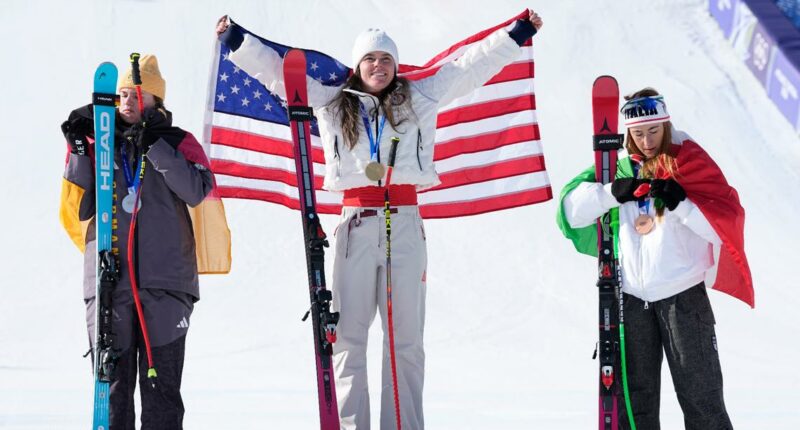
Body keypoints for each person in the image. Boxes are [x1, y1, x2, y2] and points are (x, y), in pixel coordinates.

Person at [215, 11, 542, 429]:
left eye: (386, 59)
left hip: (405, 221)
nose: (378, 66)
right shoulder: (332, 102)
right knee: (348, 340)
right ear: (358, 65)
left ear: (395, 65)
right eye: (370, 59)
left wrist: (517, 34)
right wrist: (238, 41)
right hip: (355, 222)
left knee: (405, 341)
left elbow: (469, 67)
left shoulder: (420, 96)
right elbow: (283, 77)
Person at [556, 88, 753, 429]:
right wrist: (608, 194)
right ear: (628, 134)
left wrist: (683, 205)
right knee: (635, 401)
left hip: (683, 297)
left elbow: (724, 229)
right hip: (630, 299)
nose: (646, 141)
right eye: (638, 133)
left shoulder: (690, 164)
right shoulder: (617, 169)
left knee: (701, 397)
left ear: (665, 126)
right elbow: (571, 212)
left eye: (653, 131)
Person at [59, 54, 231, 429]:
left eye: (138, 94)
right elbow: (81, 204)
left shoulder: (178, 141)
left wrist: (155, 146)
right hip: (109, 282)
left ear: (157, 100)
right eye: (122, 95)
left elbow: (196, 190)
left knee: (162, 389)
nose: (128, 102)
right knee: (112, 389)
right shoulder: (101, 143)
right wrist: (80, 149)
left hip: (166, 285)